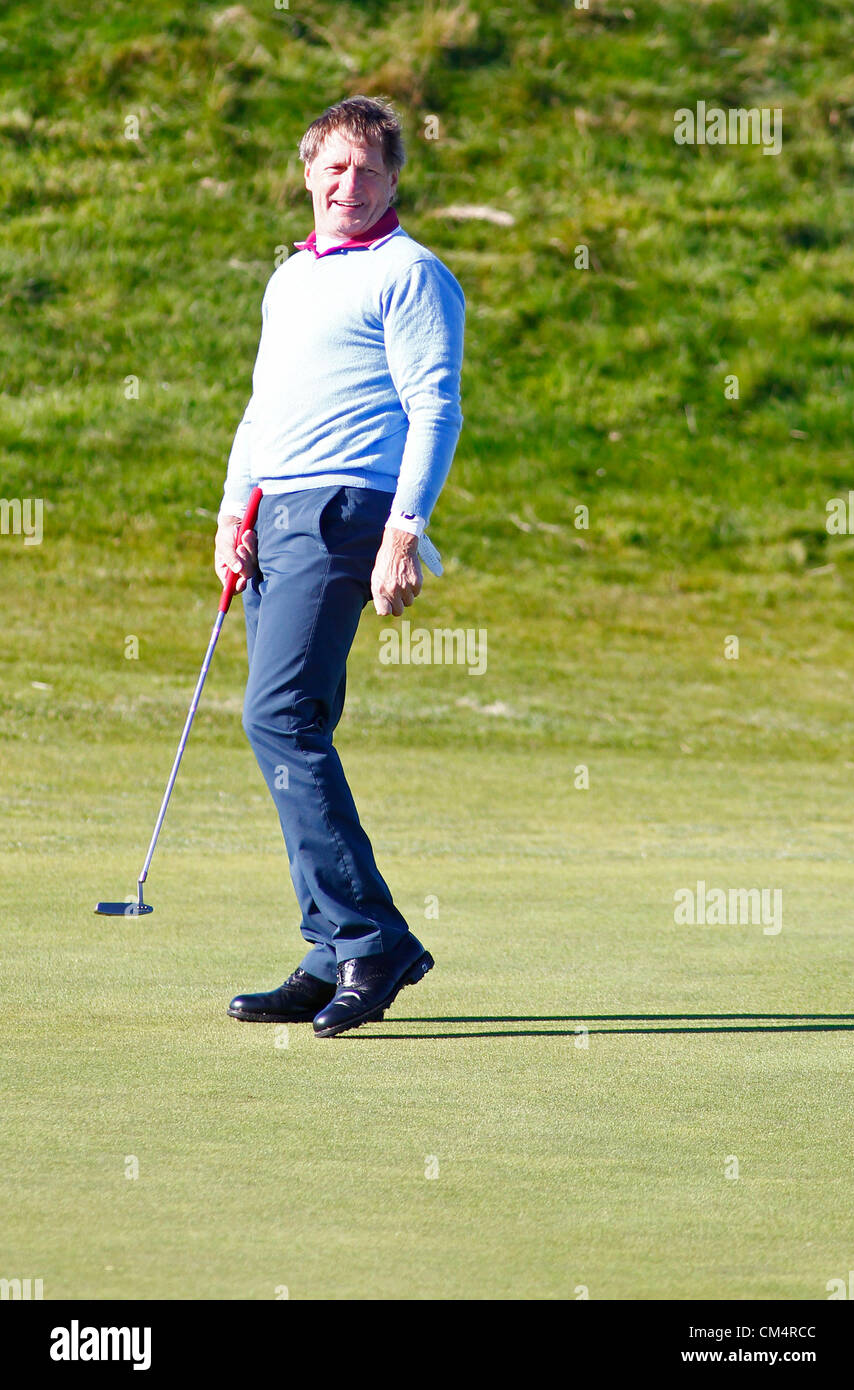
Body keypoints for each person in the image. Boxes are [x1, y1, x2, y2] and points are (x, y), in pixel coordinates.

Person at [215, 96, 465, 1038]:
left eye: (368, 170)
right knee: (298, 725)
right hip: (273, 515)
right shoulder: (290, 278)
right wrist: (229, 515)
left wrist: (404, 531)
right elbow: (259, 409)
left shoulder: (412, 274)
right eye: (333, 168)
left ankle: (370, 940)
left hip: (343, 511)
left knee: (277, 718)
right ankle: (332, 949)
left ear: (394, 177)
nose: (348, 186)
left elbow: (434, 410)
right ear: (308, 171)